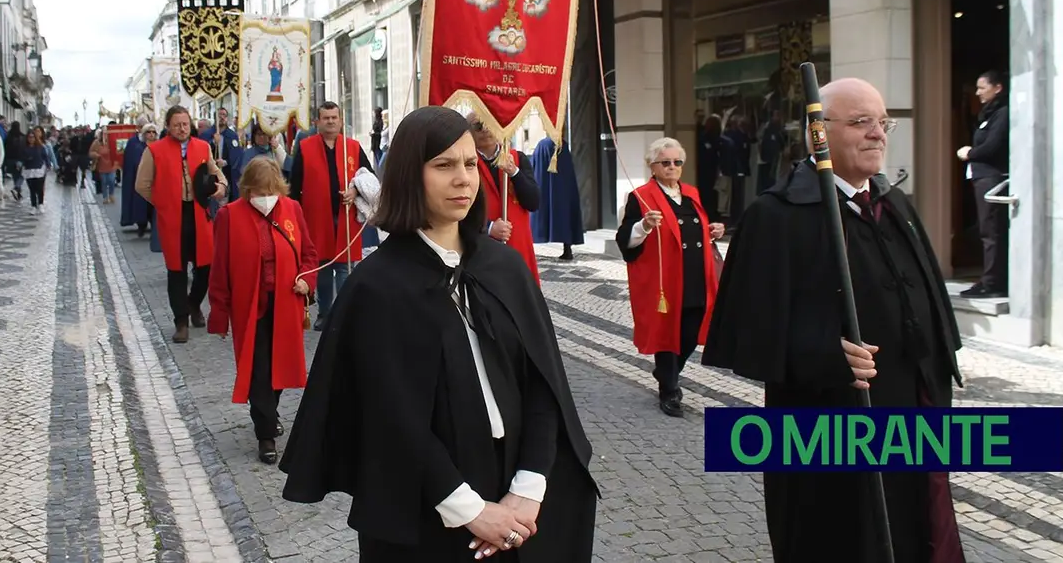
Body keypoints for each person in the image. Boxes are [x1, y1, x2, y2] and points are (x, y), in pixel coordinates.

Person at [280, 106, 598, 562]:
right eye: (444, 165)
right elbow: (387, 417)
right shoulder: (377, 287)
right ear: (411, 174)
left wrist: (528, 488)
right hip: (425, 507)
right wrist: (469, 510)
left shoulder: (504, 267)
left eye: (470, 164)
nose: (464, 179)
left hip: (521, 494)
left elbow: (544, 385)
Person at [702, 78, 965, 563]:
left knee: (916, 534)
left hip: (912, 418)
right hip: (825, 432)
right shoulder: (776, 216)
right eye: (861, 122)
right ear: (817, 133)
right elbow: (746, 335)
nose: (877, 134)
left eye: (883, 122)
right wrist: (822, 352)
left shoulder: (895, 205)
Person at [208, 158, 317, 464]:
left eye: (271, 190)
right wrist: (219, 313)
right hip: (250, 309)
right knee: (258, 373)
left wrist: (306, 281)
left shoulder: (292, 209)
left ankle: (269, 413)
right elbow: (220, 269)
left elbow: (308, 254)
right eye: (259, 191)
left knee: (280, 369)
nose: (265, 197)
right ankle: (266, 434)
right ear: (248, 190)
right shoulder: (229, 216)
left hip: (287, 305)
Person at [615, 138, 722, 417]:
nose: (672, 167)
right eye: (666, 162)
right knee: (667, 332)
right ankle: (670, 389)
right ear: (653, 166)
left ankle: (665, 371)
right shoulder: (641, 197)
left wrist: (712, 230)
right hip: (665, 281)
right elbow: (625, 238)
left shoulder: (691, 193)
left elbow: (695, 227)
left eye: (677, 162)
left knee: (690, 330)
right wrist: (644, 225)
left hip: (696, 274)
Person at [136, 106, 228, 343]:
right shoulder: (154, 150)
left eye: (185, 123)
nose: (181, 128)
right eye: (176, 124)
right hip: (172, 217)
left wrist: (221, 187)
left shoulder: (202, 147)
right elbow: (142, 184)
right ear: (168, 126)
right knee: (176, 270)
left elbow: (218, 176)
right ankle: (180, 321)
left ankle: (194, 303)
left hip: (199, 214)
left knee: (205, 268)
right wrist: (163, 202)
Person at [289, 101, 372, 330]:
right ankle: (325, 313)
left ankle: (343, 313)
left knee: (345, 268)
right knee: (323, 268)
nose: (331, 121)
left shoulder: (353, 147)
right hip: (317, 218)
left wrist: (354, 190)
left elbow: (369, 177)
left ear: (340, 120)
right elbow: (294, 186)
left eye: (334, 117)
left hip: (345, 217)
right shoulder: (305, 148)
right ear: (318, 122)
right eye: (326, 118)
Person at [467, 114, 541, 283]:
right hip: (484, 248)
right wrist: (489, 227)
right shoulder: (466, 163)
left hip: (518, 246)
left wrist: (515, 173)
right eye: (478, 125)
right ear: (469, 131)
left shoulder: (517, 158)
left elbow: (533, 202)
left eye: (489, 123)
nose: (485, 129)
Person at [956, 70, 1009, 298]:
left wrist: (970, 153)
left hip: (991, 178)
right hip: (981, 178)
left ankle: (992, 283)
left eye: (982, 87)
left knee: (991, 232)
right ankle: (989, 279)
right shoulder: (987, 114)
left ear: (997, 88)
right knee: (986, 231)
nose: (977, 92)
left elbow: (993, 146)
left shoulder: (1002, 113)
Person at [529, 134, 583, 261]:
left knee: (538, 216)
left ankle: (531, 250)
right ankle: (567, 249)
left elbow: (533, 166)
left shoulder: (542, 145)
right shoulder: (563, 145)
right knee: (565, 214)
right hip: (563, 189)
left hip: (543, 187)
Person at [121, 123, 157, 237]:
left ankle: (154, 228)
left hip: (156, 182)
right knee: (141, 205)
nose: (151, 135)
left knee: (154, 206)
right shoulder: (137, 146)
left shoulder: (160, 146)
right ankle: (141, 226)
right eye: (148, 132)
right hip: (142, 180)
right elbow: (134, 163)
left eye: (153, 132)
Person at [21, 130, 51, 214]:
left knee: (39, 188)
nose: (31, 139)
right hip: (29, 170)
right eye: (29, 137)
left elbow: (45, 157)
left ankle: (40, 204)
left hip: (39, 169)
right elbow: (22, 158)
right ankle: (33, 206)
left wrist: (48, 165)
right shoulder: (24, 148)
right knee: (32, 189)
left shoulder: (40, 147)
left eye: (33, 137)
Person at [90, 128, 118, 204]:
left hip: (111, 165)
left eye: (107, 133)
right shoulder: (96, 142)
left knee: (112, 181)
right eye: (104, 133)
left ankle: (111, 194)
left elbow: (118, 151)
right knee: (104, 182)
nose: (105, 135)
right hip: (102, 166)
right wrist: (96, 155)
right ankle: (105, 197)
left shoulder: (112, 141)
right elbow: (91, 152)